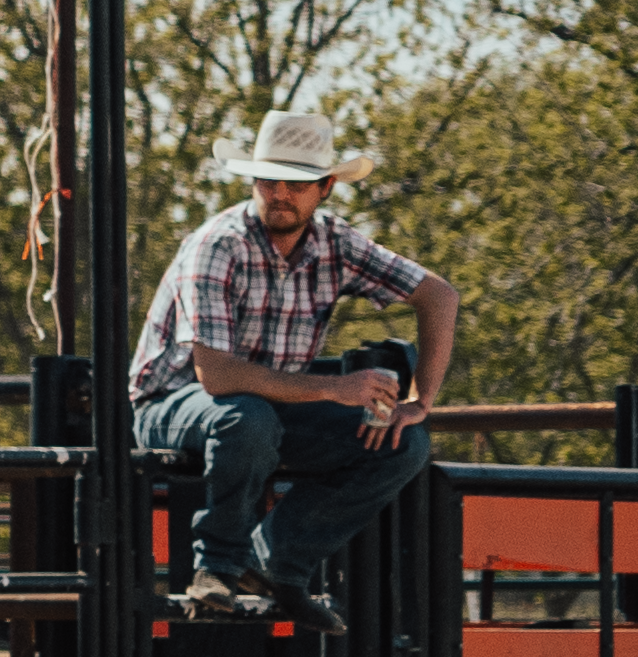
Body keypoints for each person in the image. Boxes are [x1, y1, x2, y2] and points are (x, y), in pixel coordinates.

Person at [128, 108, 460, 623]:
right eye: (268, 179)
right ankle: (214, 568)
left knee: (402, 443)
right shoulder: (218, 246)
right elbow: (215, 375)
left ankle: (275, 563)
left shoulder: (337, 243)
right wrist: (334, 389)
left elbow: (438, 295)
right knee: (246, 417)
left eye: (298, 183)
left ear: (325, 187)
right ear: (253, 181)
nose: (280, 193)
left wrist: (422, 401)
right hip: (170, 402)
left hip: (266, 406)